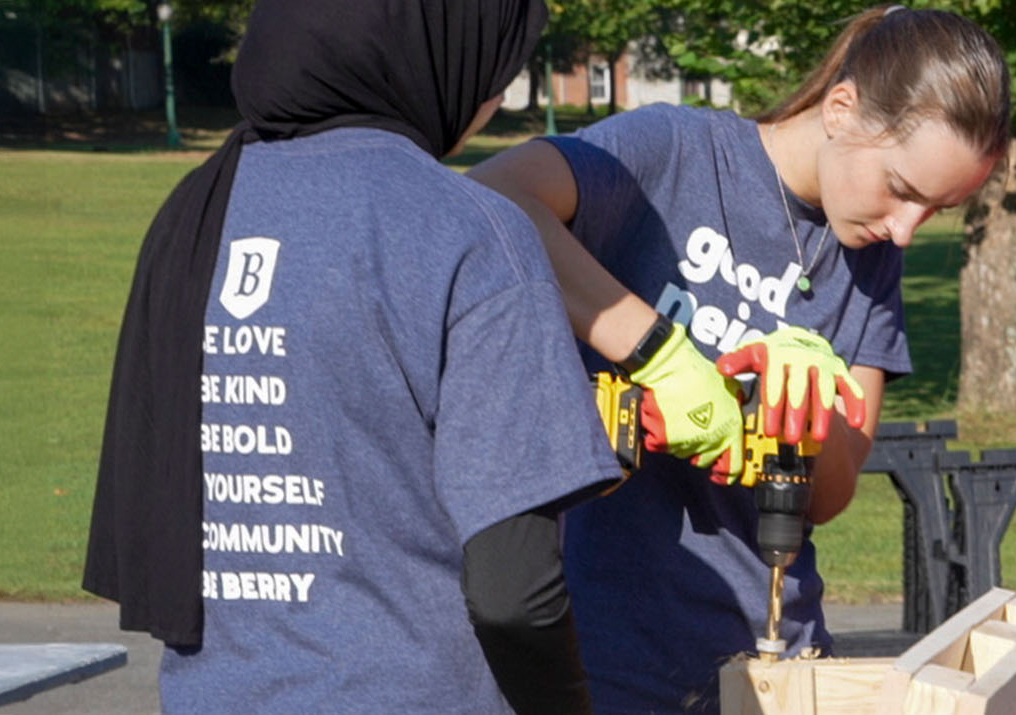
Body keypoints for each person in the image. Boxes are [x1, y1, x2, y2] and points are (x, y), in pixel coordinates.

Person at [467, 5, 1010, 710]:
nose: (905, 230)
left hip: (778, 659)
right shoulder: (675, 151)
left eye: (935, 209)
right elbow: (491, 202)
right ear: (842, 108)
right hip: (602, 658)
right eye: (902, 190)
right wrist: (658, 353)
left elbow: (834, 494)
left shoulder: (869, 257)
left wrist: (811, 421)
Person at [83, 0, 620, 710]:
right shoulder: (468, 230)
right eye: (495, 70)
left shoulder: (194, 212)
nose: (492, 98)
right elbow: (512, 590)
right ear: (428, 53)